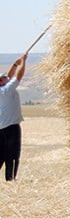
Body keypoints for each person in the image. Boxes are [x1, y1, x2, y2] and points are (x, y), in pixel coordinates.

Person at [0, 53, 28, 181]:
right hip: (11, 128)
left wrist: (15, 64)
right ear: (1, 82)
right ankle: (10, 180)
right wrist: (23, 62)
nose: (7, 78)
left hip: (1, 128)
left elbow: (10, 76)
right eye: (4, 78)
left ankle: (9, 179)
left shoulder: (3, 89)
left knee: (1, 155)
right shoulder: (7, 90)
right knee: (12, 155)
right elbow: (18, 76)